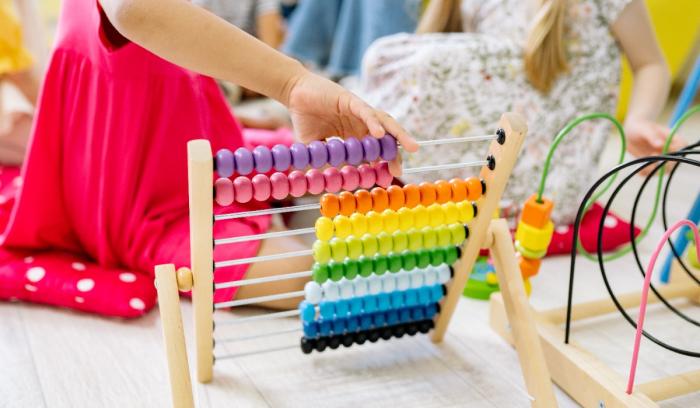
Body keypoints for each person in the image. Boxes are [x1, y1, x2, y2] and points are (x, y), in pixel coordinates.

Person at [0, 0, 416, 317]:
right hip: (139, 204)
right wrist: (292, 83)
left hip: (203, 148)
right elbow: (131, 8)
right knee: (308, 276)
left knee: (333, 168)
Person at [359, 0, 683, 224]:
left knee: (417, 63)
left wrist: (638, 120)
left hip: (547, 180)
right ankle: (374, 152)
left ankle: (376, 153)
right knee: (394, 61)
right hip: (487, 144)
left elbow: (650, 63)